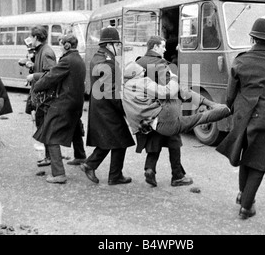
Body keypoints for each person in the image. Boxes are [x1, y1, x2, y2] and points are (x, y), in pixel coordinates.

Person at [216, 18, 265, 220]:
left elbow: (230, 94)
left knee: (246, 154)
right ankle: (246, 206)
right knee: (259, 160)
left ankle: (242, 194)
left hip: (242, 114)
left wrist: (229, 108)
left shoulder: (240, 60)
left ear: (252, 37)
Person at [135, 36, 194, 188]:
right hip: (165, 110)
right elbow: (169, 90)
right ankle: (177, 176)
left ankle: (150, 169)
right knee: (174, 141)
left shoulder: (138, 63)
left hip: (146, 110)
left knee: (155, 138)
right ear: (154, 47)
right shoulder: (162, 65)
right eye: (163, 46)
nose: (165, 49)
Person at [80, 27, 135, 185]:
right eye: (117, 45)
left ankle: (102, 169)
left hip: (100, 107)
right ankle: (107, 172)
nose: (118, 48)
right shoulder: (108, 63)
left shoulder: (97, 57)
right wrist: (125, 109)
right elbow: (111, 92)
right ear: (109, 44)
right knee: (120, 139)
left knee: (113, 139)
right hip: (108, 108)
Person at [32, 34, 86, 184]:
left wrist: (37, 86)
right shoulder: (78, 59)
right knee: (74, 127)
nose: (60, 47)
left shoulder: (67, 60)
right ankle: (80, 156)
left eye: (61, 44)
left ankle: (58, 173)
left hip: (65, 102)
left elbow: (51, 77)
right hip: (76, 102)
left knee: (50, 134)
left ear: (67, 45)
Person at [122, 61, 230, 137]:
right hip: (166, 115)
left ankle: (225, 110)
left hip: (160, 127)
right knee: (178, 90)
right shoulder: (141, 81)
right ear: (135, 74)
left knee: (198, 119)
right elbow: (167, 92)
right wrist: (173, 78)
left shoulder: (125, 89)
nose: (143, 72)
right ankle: (218, 106)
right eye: (141, 71)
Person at [23, 26, 57, 168]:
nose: (30, 39)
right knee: (42, 125)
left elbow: (51, 74)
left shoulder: (46, 52)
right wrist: (31, 66)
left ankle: (50, 157)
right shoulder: (41, 51)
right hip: (41, 96)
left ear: (36, 37)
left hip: (45, 98)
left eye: (31, 36)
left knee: (44, 127)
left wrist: (33, 76)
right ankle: (49, 156)